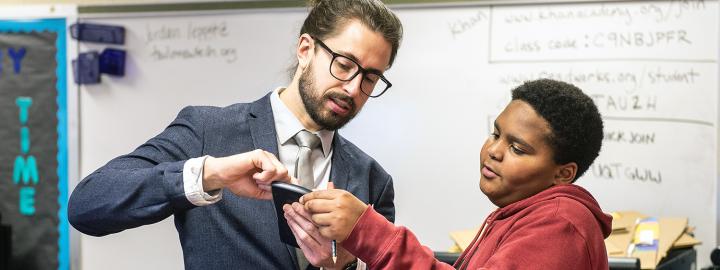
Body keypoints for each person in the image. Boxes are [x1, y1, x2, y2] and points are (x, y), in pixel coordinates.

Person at [68, 0, 403, 269]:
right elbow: (88, 205)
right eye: (344, 65)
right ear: (305, 50)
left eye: (371, 78)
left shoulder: (372, 179)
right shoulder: (207, 131)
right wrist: (209, 175)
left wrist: (345, 267)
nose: (353, 88)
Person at [285, 79, 613, 269]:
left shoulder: (561, 225)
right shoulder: (521, 214)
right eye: (496, 133)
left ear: (563, 173)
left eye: (518, 148)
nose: (494, 150)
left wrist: (370, 232)